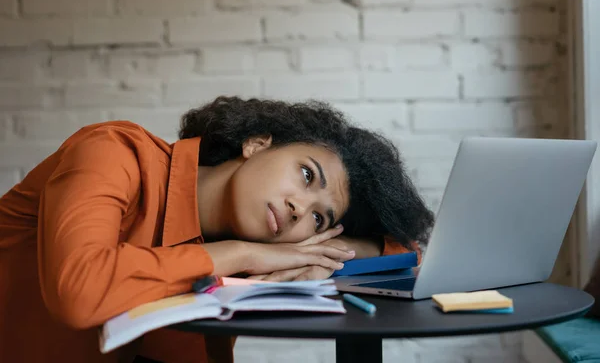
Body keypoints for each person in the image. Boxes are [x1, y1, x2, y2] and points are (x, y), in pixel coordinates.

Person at [0, 96, 434, 363]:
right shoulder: (114, 153)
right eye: (305, 175)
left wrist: (321, 251)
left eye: (319, 219)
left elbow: (406, 251)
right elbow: (79, 293)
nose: (300, 209)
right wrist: (242, 254)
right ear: (257, 144)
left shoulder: (261, 248)